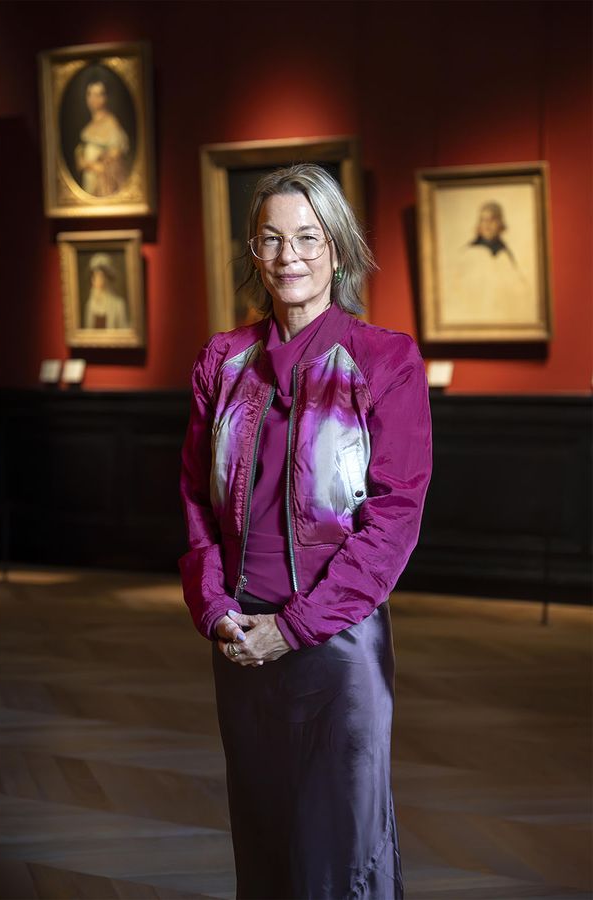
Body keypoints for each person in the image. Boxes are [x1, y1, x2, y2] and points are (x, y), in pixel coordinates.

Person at [179, 164, 431, 898]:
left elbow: (394, 518)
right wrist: (215, 608)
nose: (289, 256)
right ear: (253, 252)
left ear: (338, 249)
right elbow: (195, 500)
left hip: (337, 644)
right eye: (271, 239)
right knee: (264, 848)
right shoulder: (223, 360)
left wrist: (294, 628)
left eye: (308, 238)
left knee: (341, 855)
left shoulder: (385, 360)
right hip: (241, 642)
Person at [447, 200, 533, 323]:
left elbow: (521, 289)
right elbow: (457, 289)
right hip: (475, 315)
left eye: (492, 220)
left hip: (503, 316)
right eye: (483, 220)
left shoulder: (506, 254)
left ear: (500, 223)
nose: (487, 224)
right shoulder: (469, 253)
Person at [75, 78, 130, 197]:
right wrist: (83, 162)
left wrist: (94, 165)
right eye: (90, 94)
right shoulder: (88, 128)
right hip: (89, 183)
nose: (93, 99)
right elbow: (80, 157)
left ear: (105, 97)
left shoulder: (111, 123)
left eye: (98, 94)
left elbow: (116, 158)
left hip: (104, 186)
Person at [82, 253, 129, 329]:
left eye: (100, 276)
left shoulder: (118, 304)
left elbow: (124, 330)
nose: (96, 280)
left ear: (107, 279)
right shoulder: (90, 305)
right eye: (94, 276)